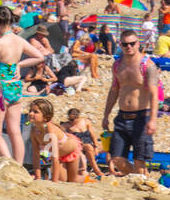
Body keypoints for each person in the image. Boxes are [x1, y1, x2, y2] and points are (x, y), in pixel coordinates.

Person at [0, 6, 45, 162]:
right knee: (15, 132)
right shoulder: (19, 40)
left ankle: (9, 163)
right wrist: (19, 65)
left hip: (1, 88)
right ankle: (19, 165)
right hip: (16, 87)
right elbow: (39, 56)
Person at [101, 29, 159, 175]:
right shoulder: (117, 65)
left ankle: (141, 186)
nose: (129, 47)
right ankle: (139, 181)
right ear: (120, 44)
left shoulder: (148, 65)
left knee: (140, 160)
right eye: (125, 44)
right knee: (117, 159)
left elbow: (154, 94)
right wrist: (106, 115)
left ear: (138, 43)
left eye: (132, 43)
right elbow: (114, 90)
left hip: (141, 116)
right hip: (122, 116)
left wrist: (153, 120)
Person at [27, 98, 83, 182]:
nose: (31, 113)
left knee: (72, 181)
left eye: (35, 112)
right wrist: (37, 177)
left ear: (45, 117)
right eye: (30, 110)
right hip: (59, 154)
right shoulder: (34, 131)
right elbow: (35, 155)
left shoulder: (50, 131)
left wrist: (54, 183)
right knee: (63, 180)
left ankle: (85, 176)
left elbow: (54, 159)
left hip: (71, 149)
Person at [63, 108, 104, 177]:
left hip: (89, 142)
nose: (72, 121)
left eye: (73, 119)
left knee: (109, 146)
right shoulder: (67, 125)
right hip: (78, 145)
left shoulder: (86, 122)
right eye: (70, 119)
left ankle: (112, 169)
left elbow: (93, 135)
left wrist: (96, 146)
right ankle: (97, 170)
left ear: (78, 117)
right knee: (88, 147)